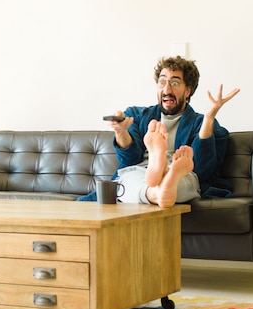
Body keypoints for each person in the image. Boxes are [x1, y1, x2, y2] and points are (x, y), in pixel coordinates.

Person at [102, 56, 239, 207]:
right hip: (141, 171)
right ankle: (160, 186)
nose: (167, 89)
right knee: (129, 180)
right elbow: (129, 159)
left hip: (182, 173)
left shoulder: (200, 123)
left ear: (187, 91)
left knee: (186, 180)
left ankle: (166, 177)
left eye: (174, 83)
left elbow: (202, 170)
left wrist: (208, 118)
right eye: (162, 82)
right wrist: (120, 131)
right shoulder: (137, 115)